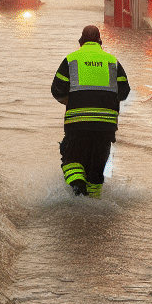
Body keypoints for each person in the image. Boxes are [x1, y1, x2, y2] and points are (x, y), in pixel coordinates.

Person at [51, 25, 130, 198]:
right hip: (105, 127)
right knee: (96, 169)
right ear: (100, 42)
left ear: (81, 42)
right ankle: (94, 206)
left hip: (77, 125)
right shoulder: (112, 62)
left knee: (71, 157)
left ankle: (79, 192)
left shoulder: (71, 59)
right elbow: (124, 93)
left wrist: (73, 102)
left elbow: (57, 90)